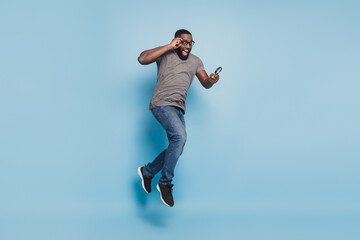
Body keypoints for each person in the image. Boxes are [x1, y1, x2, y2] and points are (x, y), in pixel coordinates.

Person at [137, 29, 220, 207]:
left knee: (178, 146)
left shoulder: (196, 61)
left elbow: (205, 83)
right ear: (176, 41)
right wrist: (168, 46)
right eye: (183, 42)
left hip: (178, 109)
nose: (186, 46)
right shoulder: (165, 53)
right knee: (180, 137)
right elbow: (142, 59)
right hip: (162, 103)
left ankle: (148, 171)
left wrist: (211, 81)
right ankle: (165, 183)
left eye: (190, 43)